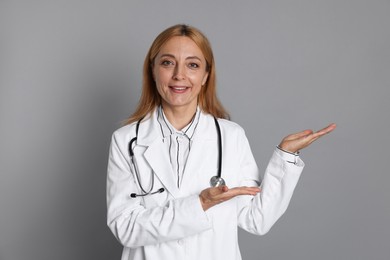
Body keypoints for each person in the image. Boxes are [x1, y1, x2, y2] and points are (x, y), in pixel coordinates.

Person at [106, 24, 336, 260]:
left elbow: (257, 220)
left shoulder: (230, 136)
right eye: (167, 62)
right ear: (153, 70)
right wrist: (200, 204)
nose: (179, 75)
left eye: (192, 65)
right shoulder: (127, 141)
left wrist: (286, 156)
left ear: (206, 75)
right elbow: (125, 228)